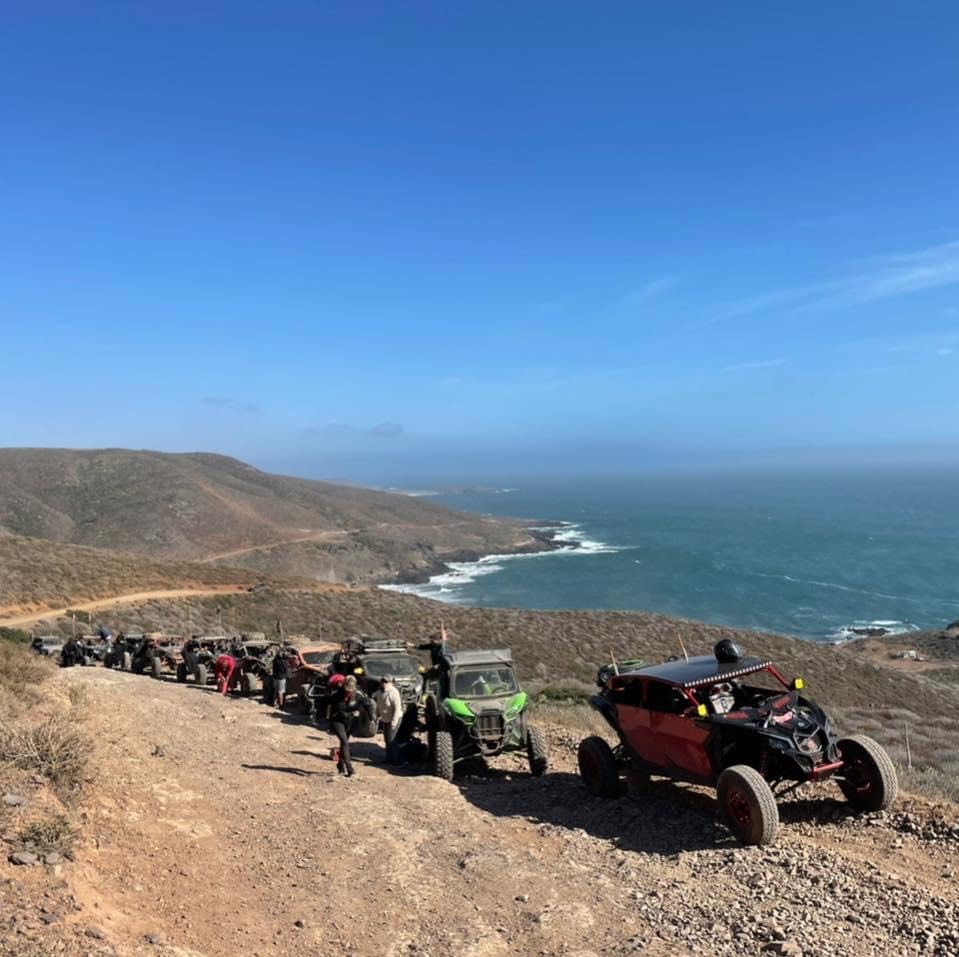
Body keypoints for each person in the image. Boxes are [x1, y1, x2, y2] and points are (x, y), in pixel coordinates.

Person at [327, 675, 368, 777]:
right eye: (346, 689)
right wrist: (328, 720)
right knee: (345, 742)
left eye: (350, 689)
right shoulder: (336, 694)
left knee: (343, 744)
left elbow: (364, 704)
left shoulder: (358, 694)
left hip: (349, 721)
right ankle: (350, 769)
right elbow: (328, 706)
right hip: (337, 720)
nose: (348, 691)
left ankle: (340, 765)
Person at [374, 675, 404, 764]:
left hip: (395, 718)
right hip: (385, 718)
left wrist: (394, 722)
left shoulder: (394, 692)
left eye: (386, 682)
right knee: (387, 739)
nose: (384, 684)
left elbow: (397, 709)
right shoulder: (379, 692)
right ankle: (388, 759)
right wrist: (376, 716)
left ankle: (396, 760)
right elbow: (378, 705)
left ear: (391, 683)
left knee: (392, 739)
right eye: (382, 681)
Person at [271, 645, 297, 710]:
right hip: (281, 678)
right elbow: (288, 670)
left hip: (275, 677)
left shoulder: (276, 660)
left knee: (276, 690)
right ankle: (281, 706)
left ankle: (274, 703)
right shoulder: (283, 663)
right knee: (281, 692)